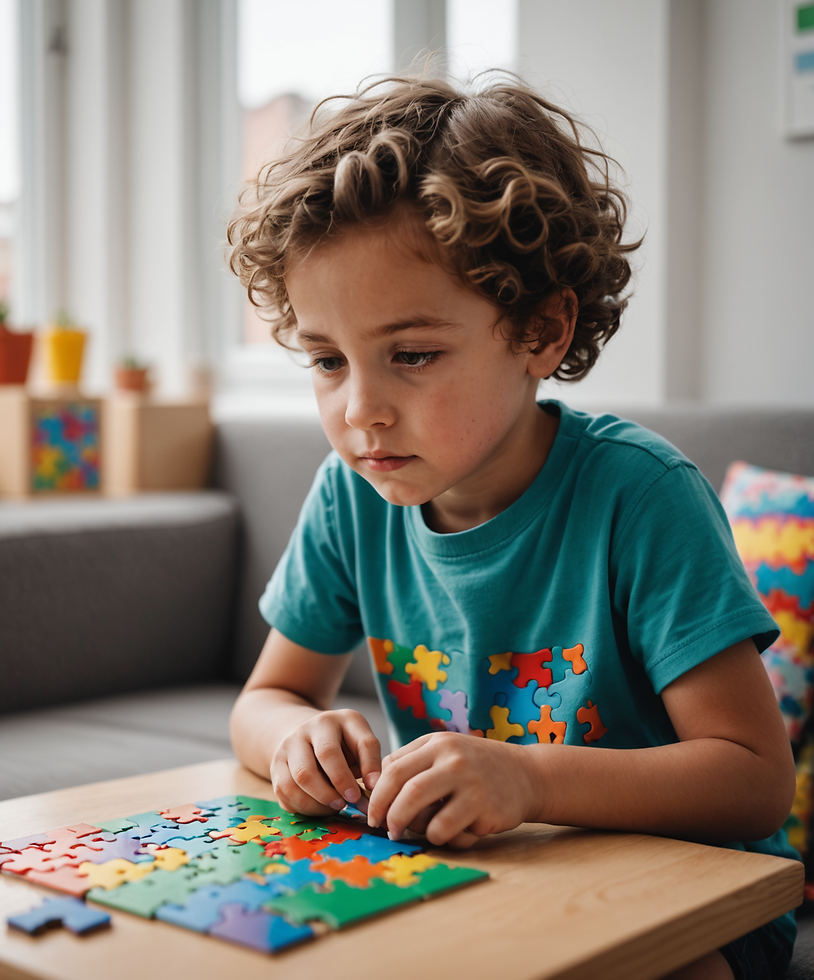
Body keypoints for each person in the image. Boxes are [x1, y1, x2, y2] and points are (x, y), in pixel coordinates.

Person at [226, 75, 798, 980]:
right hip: (482, 895)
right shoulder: (350, 496)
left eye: (411, 356)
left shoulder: (640, 497)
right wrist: (296, 739)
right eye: (328, 360)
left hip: (685, 903)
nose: (361, 410)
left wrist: (528, 778)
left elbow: (753, 780)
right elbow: (266, 698)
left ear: (539, 330)